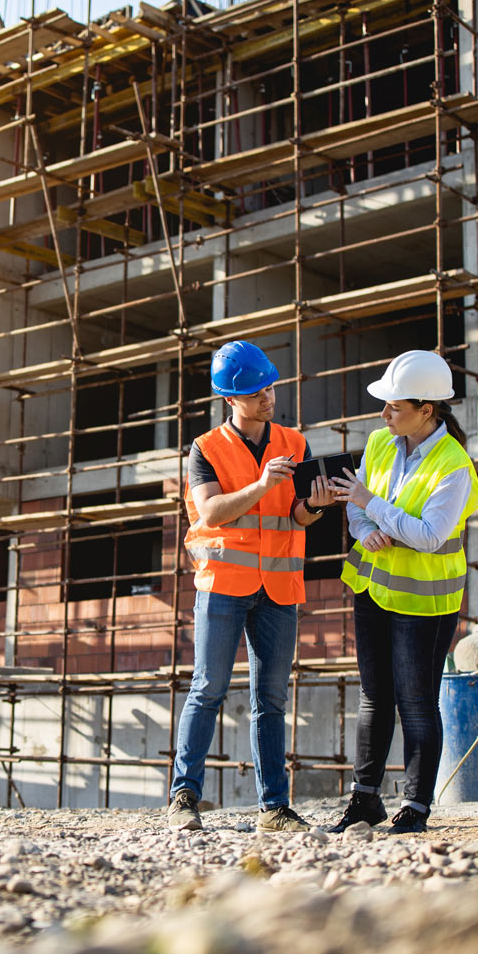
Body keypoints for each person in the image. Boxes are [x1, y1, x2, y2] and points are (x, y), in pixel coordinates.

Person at [169, 340, 336, 833]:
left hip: (279, 590)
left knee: (271, 698)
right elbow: (211, 511)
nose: (269, 397)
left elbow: (297, 516)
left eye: (270, 387)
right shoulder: (206, 448)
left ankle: (275, 809)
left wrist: (319, 505)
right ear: (231, 398)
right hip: (223, 584)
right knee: (208, 689)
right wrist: (262, 484)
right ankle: (183, 798)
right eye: (257, 391)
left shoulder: (295, 442)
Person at [329, 350, 478, 834]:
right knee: (374, 698)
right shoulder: (380, 442)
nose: (384, 414)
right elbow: (355, 502)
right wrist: (362, 526)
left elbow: (431, 534)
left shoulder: (453, 464)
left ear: (427, 410)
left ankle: (415, 808)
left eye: (394, 406)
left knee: (417, 701)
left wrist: (370, 504)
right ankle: (365, 799)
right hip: (373, 588)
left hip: (425, 600)